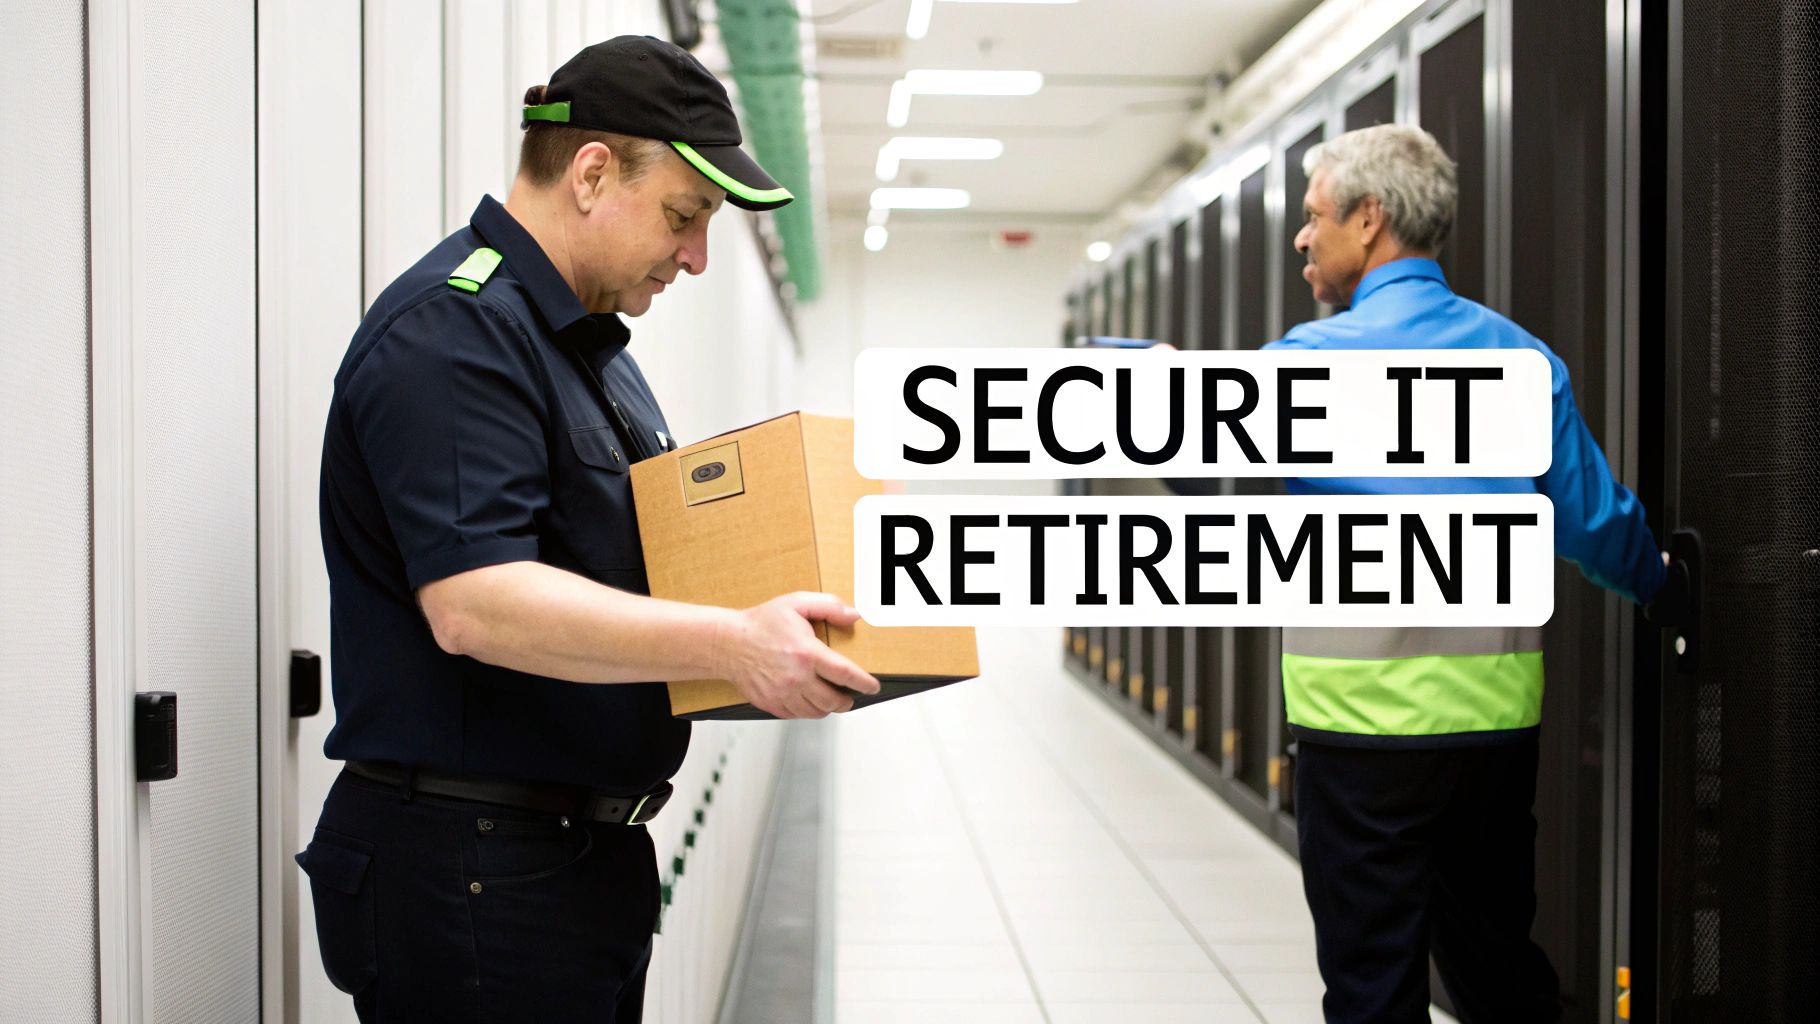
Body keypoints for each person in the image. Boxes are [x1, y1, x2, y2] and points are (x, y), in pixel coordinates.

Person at [296, 36, 879, 1023]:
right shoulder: (457, 331)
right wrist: (733, 646)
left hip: (568, 867)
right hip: (474, 874)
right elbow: (477, 603)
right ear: (593, 171)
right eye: (685, 218)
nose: (694, 257)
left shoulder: (588, 348)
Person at [1266, 124, 1674, 1023]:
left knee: (1375, 985)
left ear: (1369, 220)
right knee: (1497, 975)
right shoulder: (1519, 358)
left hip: (1359, 736)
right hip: (1490, 742)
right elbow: (1596, 523)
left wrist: (1145, 380)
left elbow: (1195, 442)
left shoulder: (1310, 362)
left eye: (1314, 216)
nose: (1304, 237)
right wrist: (1665, 587)